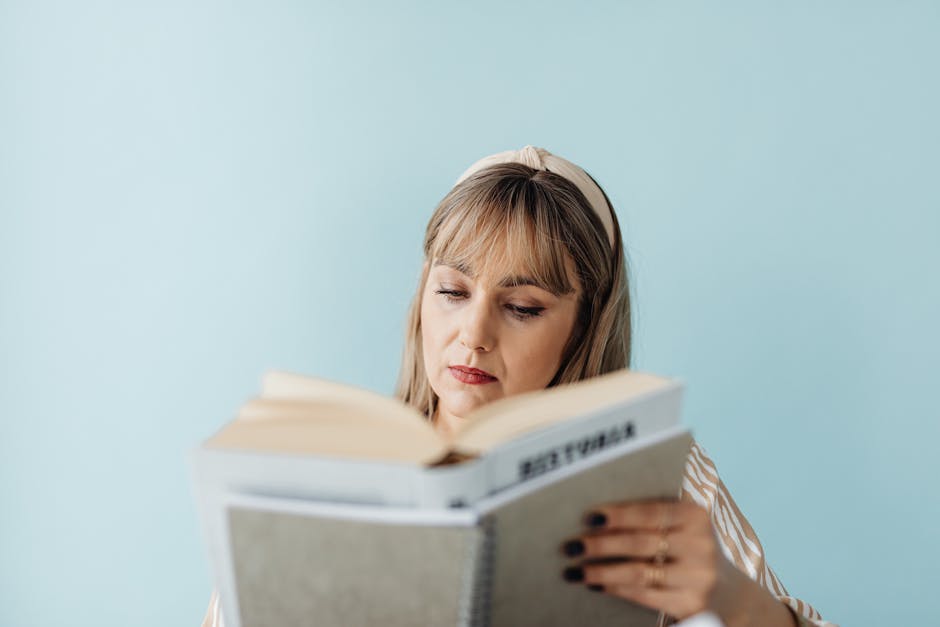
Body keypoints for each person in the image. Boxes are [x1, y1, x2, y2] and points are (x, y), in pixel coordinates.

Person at [202, 146, 834, 627]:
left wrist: (732, 598)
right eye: (451, 292)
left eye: (524, 307)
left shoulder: (665, 481)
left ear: (584, 327)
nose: (472, 334)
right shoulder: (328, 476)